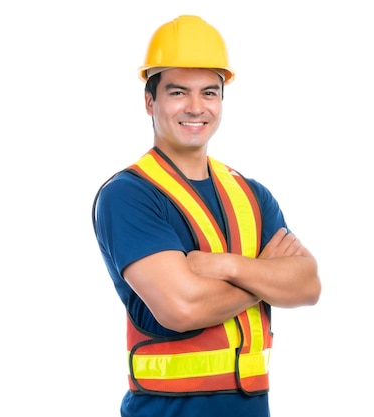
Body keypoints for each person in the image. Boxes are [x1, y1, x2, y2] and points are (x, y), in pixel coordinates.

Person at [92, 15, 321, 417]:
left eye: (209, 93)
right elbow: (183, 308)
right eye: (178, 92)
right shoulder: (129, 195)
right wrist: (266, 277)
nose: (196, 107)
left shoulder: (251, 194)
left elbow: (307, 285)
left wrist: (225, 265)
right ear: (150, 101)